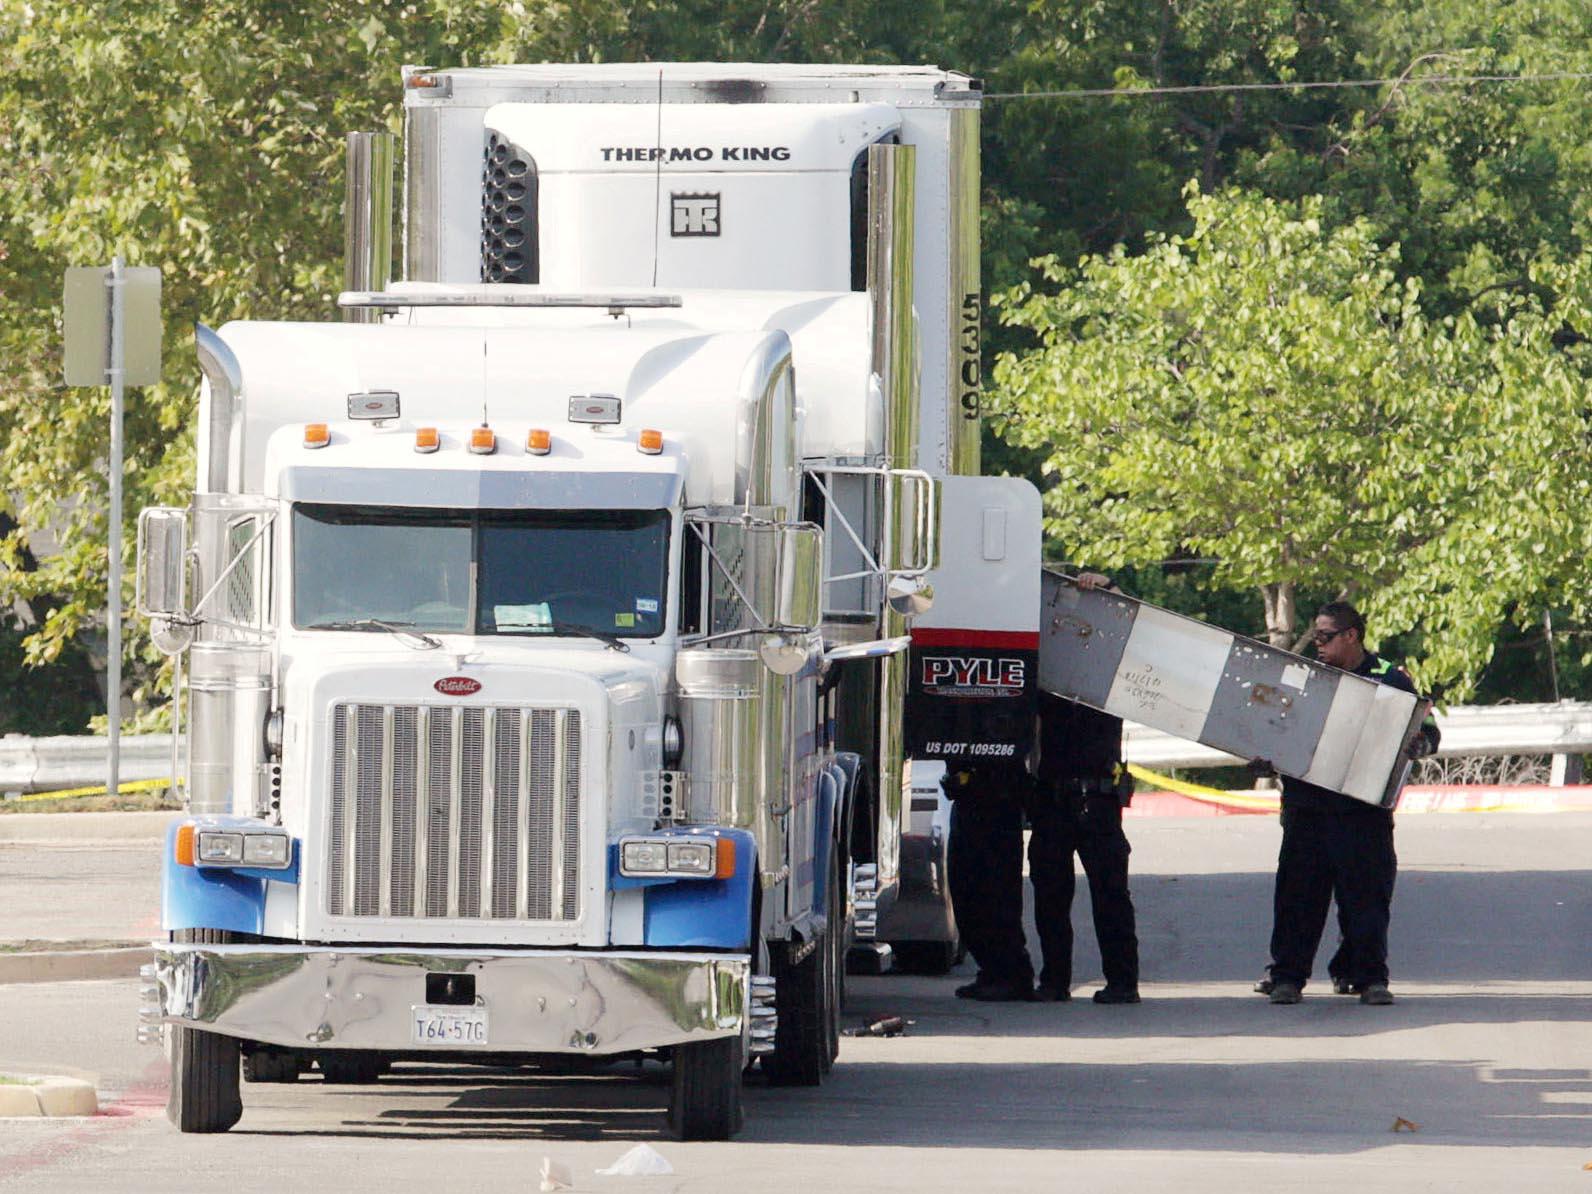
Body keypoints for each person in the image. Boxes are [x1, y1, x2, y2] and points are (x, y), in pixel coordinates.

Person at [1261, 601, 1439, 1007]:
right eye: (1315, 636)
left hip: (1362, 810)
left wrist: (1420, 744)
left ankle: (1369, 977)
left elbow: (1427, 729)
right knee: (1297, 897)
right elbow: (1275, 725)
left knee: (1366, 898)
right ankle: (1288, 976)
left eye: (1325, 637)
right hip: (1307, 807)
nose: (1317, 644)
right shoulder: (1306, 676)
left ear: (1351, 636)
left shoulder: (1389, 678)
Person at [1027, 573, 1140, 1004]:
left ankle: (1123, 982)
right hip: (1053, 794)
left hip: (1098, 798)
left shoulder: (1111, 669)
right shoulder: (1049, 669)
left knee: (1110, 897)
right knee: (1050, 895)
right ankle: (1054, 980)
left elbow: (1133, 627)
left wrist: (1109, 589)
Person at [945, 761, 1035, 1001]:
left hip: (999, 799)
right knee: (965, 891)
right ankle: (993, 970)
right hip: (967, 797)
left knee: (996, 892)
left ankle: (1011, 973)